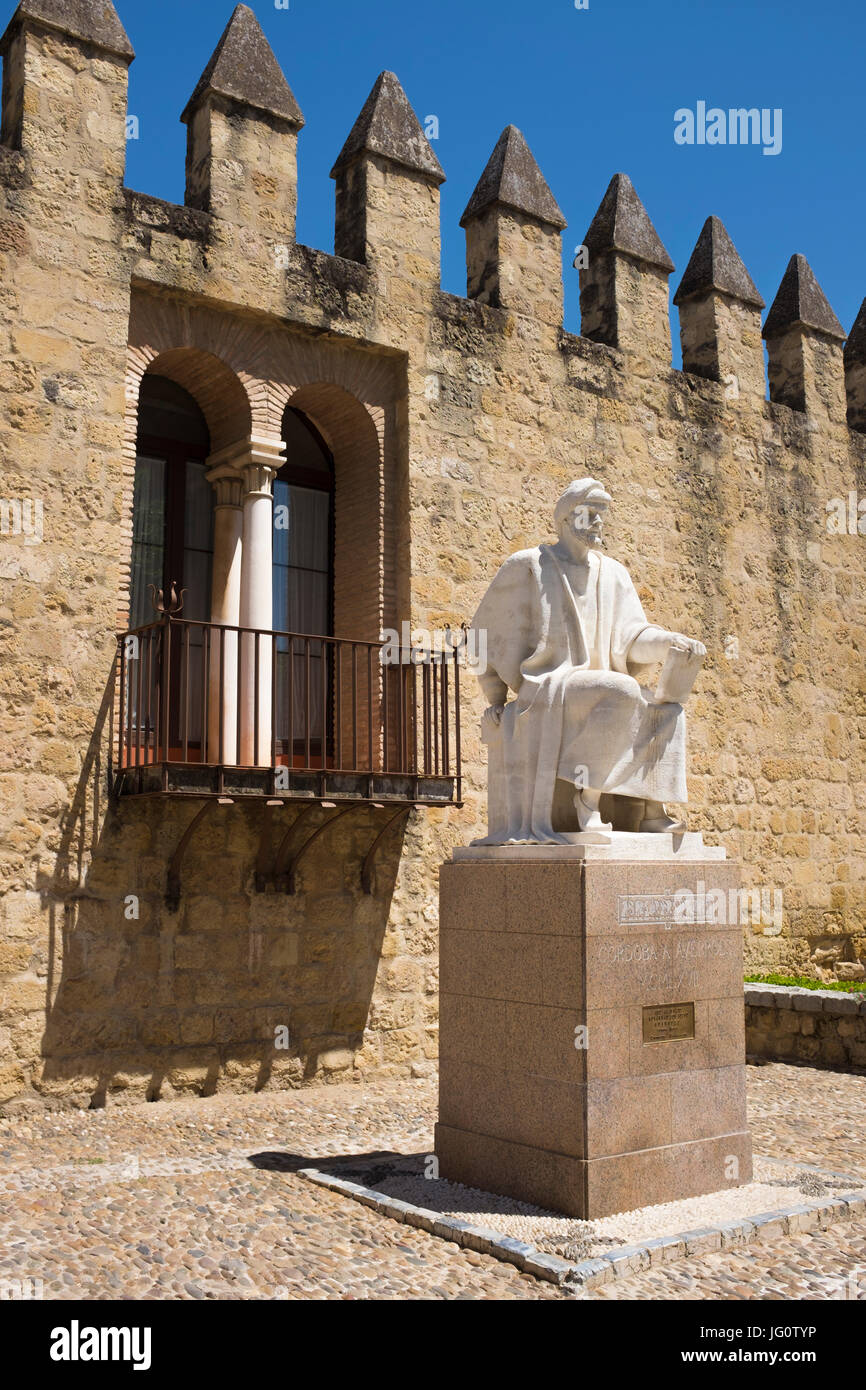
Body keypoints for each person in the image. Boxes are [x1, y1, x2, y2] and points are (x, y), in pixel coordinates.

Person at [470, 478, 706, 843]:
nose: (598, 523)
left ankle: (651, 811)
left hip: (600, 684)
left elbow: (633, 637)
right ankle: (588, 798)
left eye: (602, 515)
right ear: (565, 518)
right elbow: (484, 632)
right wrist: (495, 700)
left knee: (668, 710)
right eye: (590, 513)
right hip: (550, 687)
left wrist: (669, 643)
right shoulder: (529, 566)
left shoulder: (614, 574)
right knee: (622, 690)